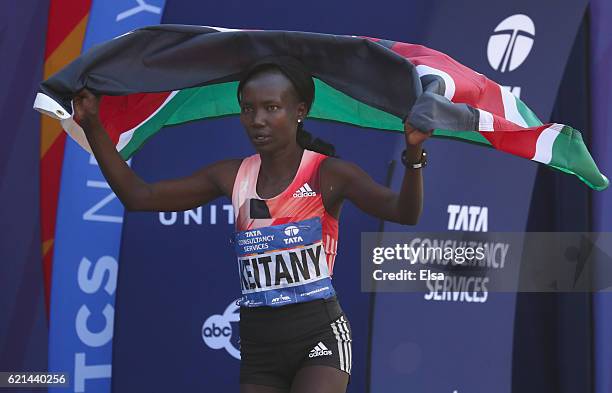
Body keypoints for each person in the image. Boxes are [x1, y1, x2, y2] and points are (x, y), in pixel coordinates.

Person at [73, 56, 431, 393]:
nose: (257, 119)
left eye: (272, 108)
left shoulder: (330, 174)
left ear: (300, 111)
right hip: (260, 342)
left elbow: (405, 212)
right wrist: (92, 125)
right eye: (248, 109)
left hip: (318, 332)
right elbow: (140, 196)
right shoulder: (231, 175)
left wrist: (414, 156)